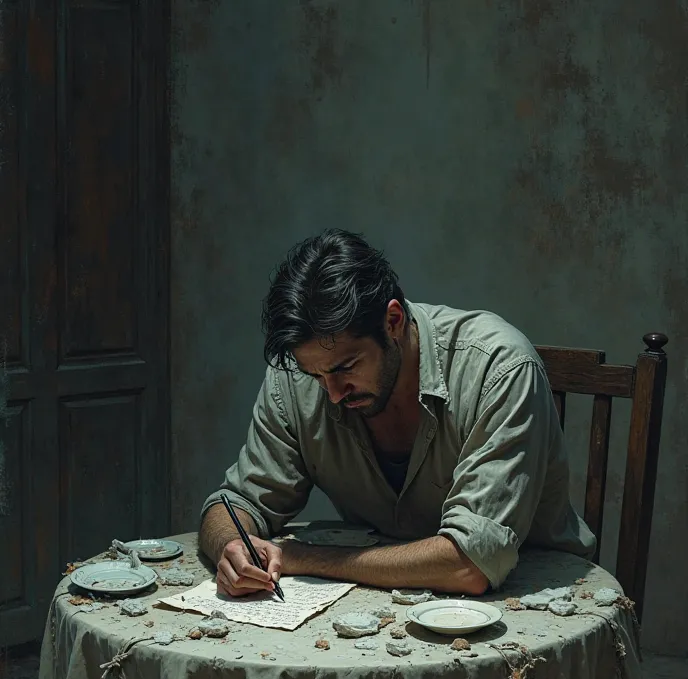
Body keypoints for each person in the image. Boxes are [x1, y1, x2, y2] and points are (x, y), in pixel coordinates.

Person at [199, 229, 595, 598]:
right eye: (315, 374)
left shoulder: (500, 368)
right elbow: (236, 503)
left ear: (393, 321)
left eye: (346, 368)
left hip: (535, 594)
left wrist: (304, 556)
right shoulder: (298, 377)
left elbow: (472, 562)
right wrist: (231, 544)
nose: (332, 393)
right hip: (388, 594)